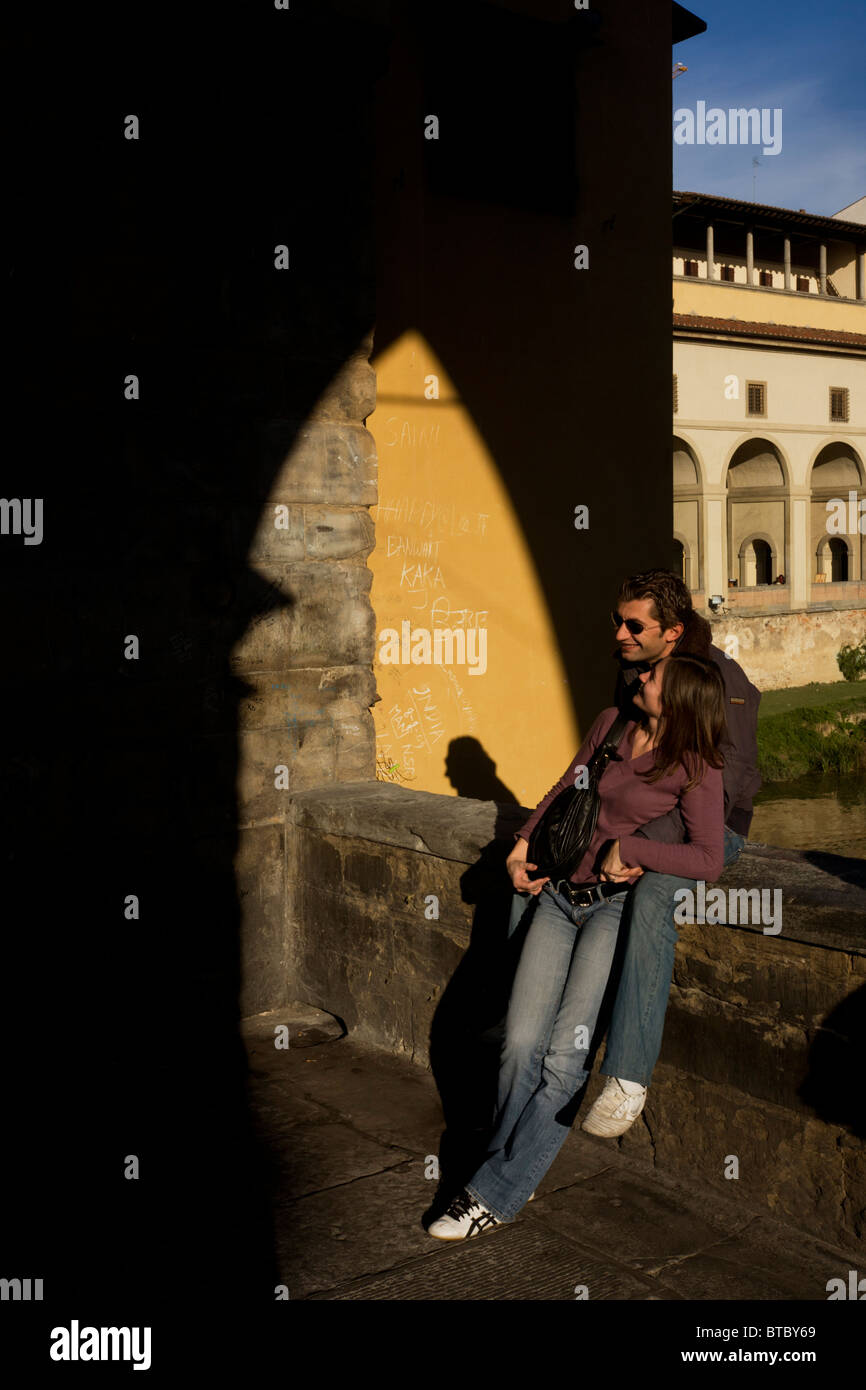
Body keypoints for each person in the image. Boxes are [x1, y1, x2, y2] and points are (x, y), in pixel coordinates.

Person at [428, 651, 727, 1239]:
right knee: (519, 1043)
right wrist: (522, 841)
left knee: (566, 1056)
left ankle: (494, 1192)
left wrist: (638, 851)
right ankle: (511, 1165)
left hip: (613, 913)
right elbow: (570, 785)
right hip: (562, 899)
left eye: (653, 677)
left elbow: (709, 857)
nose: (640, 676)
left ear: (681, 700)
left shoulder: (695, 766)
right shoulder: (611, 724)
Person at [578, 569, 761, 1138]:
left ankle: (628, 1076)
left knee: (653, 892)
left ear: (674, 631)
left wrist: (636, 838)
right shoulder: (637, 673)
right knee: (575, 865)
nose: (621, 633)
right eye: (618, 621)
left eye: (634, 625)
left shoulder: (715, 680)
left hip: (711, 824)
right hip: (654, 819)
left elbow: (725, 782)